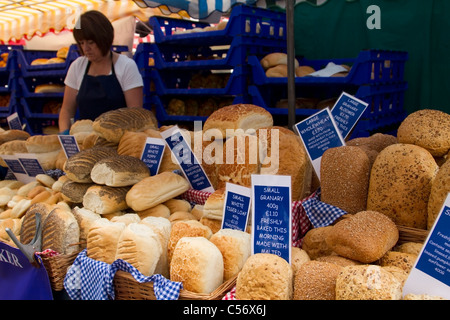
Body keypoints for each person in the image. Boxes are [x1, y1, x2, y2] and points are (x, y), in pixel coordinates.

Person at [58, 10, 143, 134]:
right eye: (81, 43)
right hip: (86, 142)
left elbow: (136, 116)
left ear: (104, 39)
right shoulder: (77, 66)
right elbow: (66, 110)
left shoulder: (126, 66)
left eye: (91, 42)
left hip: (119, 142)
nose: (86, 48)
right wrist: (65, 134)